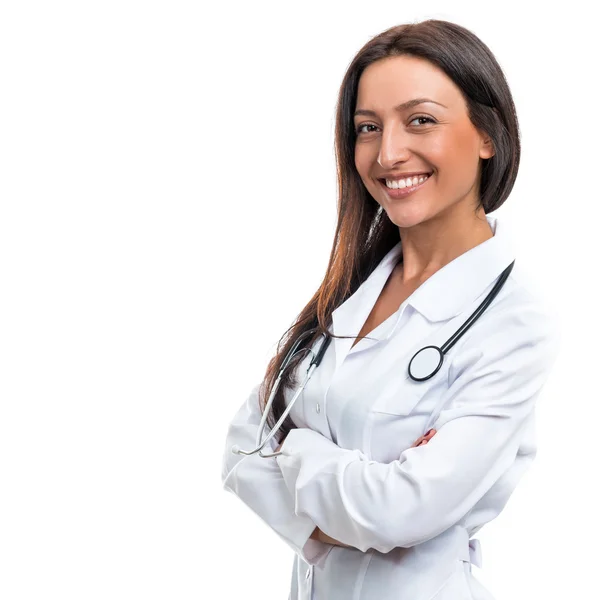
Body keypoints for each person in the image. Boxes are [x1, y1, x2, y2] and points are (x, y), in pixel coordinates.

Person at [221, 18, 560, 600]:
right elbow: (241, 451)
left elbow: (399, 514)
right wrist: (353, 504)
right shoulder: (351, 288)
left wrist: (294, 447)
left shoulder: (514, 322)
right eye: (368, 127)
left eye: (420, 120)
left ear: (489, 135)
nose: (388, 153)